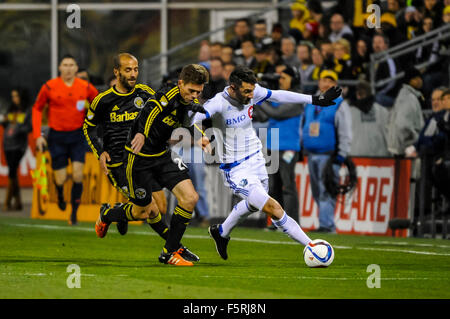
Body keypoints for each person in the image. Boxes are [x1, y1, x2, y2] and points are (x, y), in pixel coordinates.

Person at [189, 65, 341, 260]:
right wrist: (200, 136)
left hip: (257, 159)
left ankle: (221, 233)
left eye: (253, 90)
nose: (251, 96)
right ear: (233, 88)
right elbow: (193, 118)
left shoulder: (252, 91)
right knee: (272, 207)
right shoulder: (218, 103)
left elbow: (279, 95)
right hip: (236, 169)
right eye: (246, 92)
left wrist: (314, 99)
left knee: (253, 204)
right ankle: (312, 246)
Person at [102, 64, 211, 266]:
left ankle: (169, 252)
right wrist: (142, 133)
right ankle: (108, 214)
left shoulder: (189, 101)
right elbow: (148, 112)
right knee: (141, 212)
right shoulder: (167, 93)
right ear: (180, 83)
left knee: (190, 198)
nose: (195, 95)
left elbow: (188, 122)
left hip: (162, 155)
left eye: (199, 92)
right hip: (138, 158)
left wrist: (201, 137)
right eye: (191, 90)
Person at [83, 53, 173, 247]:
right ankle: (175, 246)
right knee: (147, 210)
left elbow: (159, 112)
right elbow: (87, 127)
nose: (133, 74)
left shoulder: (144, 92)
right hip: (119, 164)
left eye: (136, 69)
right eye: (128, 70)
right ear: (116, 72)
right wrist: (100, 152)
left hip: (143, 159)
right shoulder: (103, 100)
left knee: (162, 207)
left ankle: (114, 212)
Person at [32, 54, 98, 225]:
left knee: (78, 174)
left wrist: (97, 122)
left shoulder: (85, 87)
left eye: (71, 65)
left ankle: (73, 213)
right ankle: (60, 194)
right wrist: (38, 136)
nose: (68, 68)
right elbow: (37, 109)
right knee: (60, 178)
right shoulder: (49, 87)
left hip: (77, 135)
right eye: (65, 65)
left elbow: (99, 104)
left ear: (76, 68)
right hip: (57, 137)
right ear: (60, 68)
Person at [301, 69, 352, 233]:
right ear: (319, 82)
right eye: (324, 80)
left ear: (335, 85)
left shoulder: (340, 104)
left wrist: (341, 154)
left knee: (326, 190)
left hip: (329, 155)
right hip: (312, 154)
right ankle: (325, 222)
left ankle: (327, 225)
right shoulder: (311, 103)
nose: (327, 84)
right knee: (317, 191)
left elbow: (346, 131)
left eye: (331, 81)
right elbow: (304, 126)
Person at [259, 66, 303, 225]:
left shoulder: (296, 98)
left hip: (288, 147)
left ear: (294, 79)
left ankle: (292, 221)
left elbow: (274, 113)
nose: (281, 81)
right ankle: (277, 221)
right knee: (274, 187)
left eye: (284, 78)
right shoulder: (279, 96)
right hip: (273, 145)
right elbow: (264, 115)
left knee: (288, 185)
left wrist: (258, 96)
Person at [0, 88, 32, 211]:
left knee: (12, 171)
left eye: (16, 96)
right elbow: (5, 124)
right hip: (7, 144)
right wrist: (5, 121)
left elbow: (30, 127)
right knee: (12, 172)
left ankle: (7, 202)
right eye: (13, 96)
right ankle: (18, 202)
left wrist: (19, 129)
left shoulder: (27, 110)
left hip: (19, 145)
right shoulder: (10, 110)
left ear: (21, 97)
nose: (14, 99)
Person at [387, 66, 425, 157]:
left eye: (420, 78)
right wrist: (417, 140)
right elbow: (402, 125)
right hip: (405, 151)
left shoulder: (406, 95)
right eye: (415, 78)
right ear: (409, 81)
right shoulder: (408, 98)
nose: (419, 81)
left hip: (401, 149)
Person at [349, 80, 390, 157]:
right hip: (377, 159)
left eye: (362, 92)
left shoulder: (349, 112)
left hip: (360, 157)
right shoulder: (382, 111)